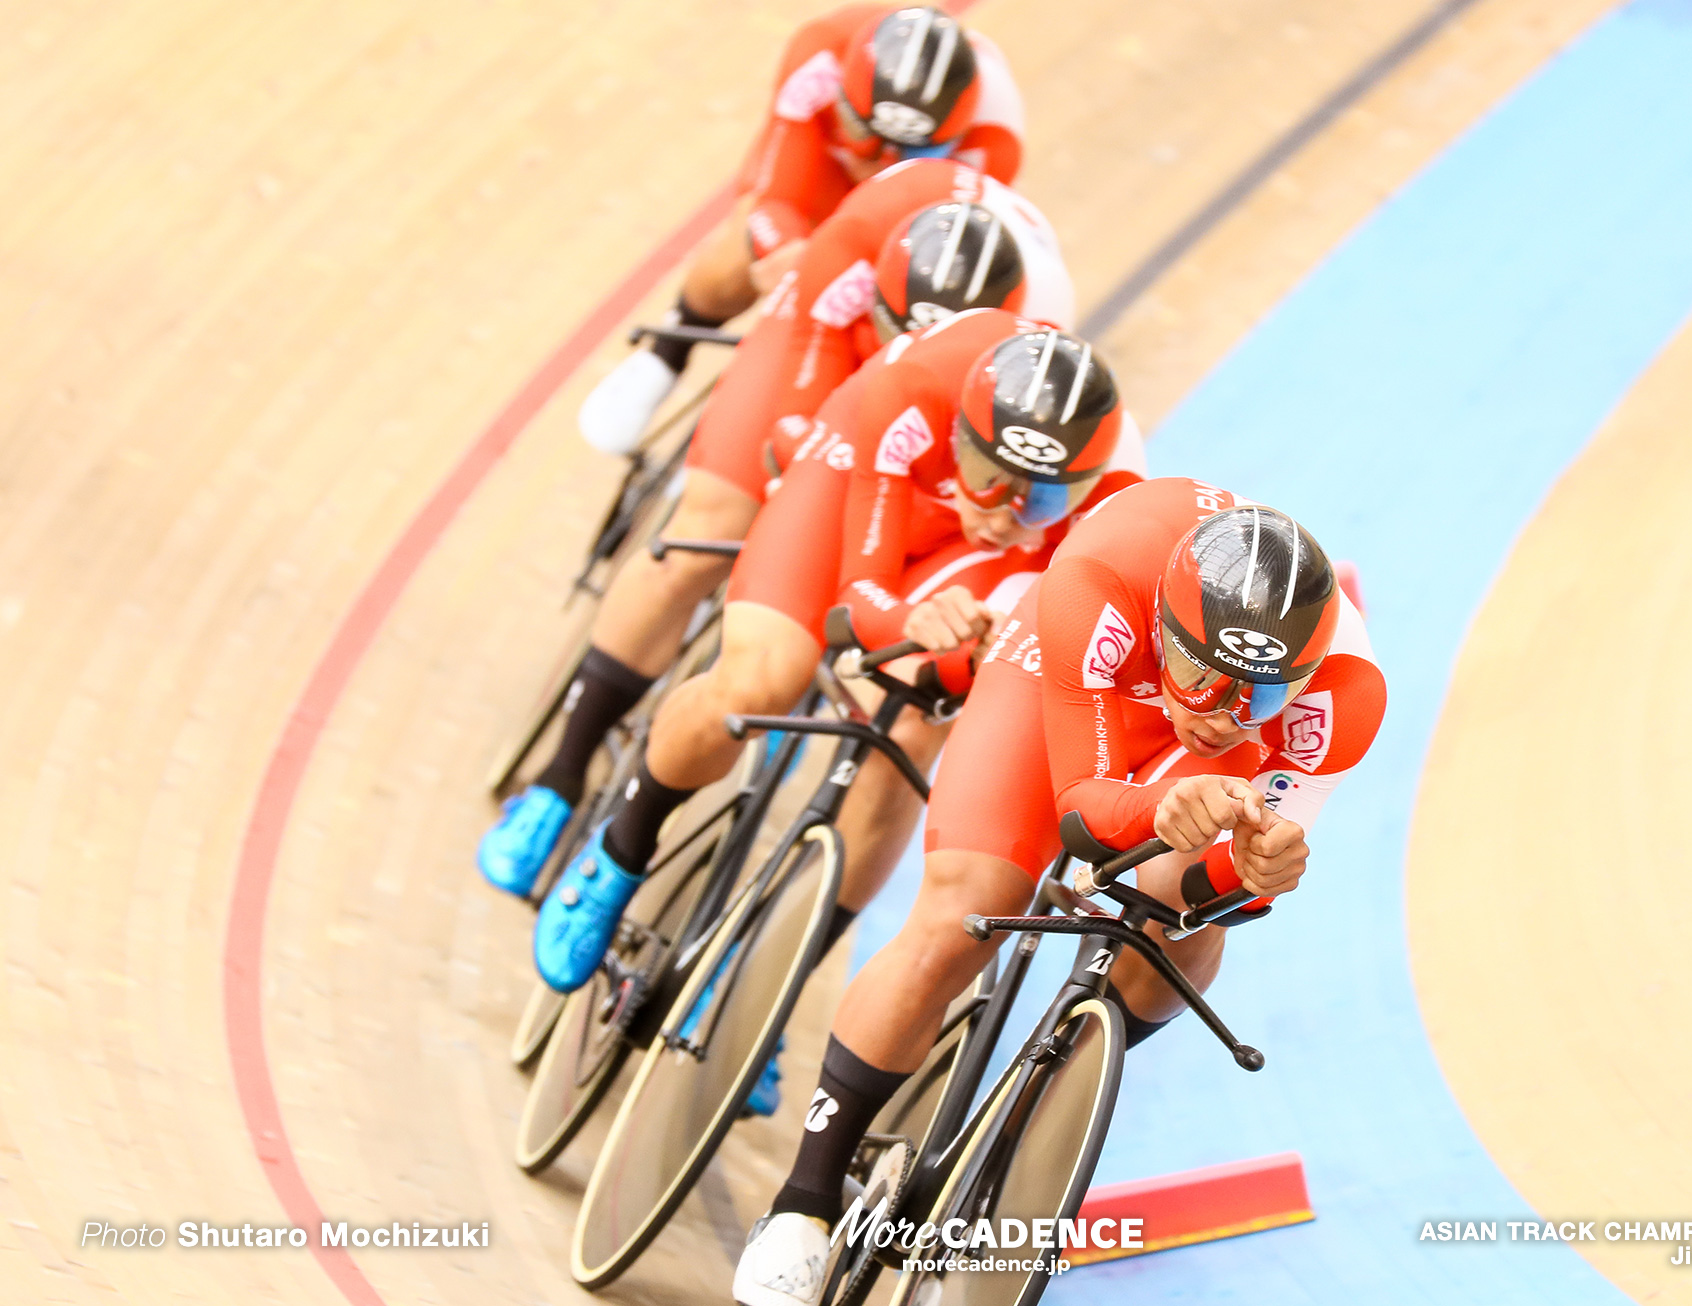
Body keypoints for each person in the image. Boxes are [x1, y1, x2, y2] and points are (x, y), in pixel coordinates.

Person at [730, 478, 1387, 1304]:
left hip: (1185, 757)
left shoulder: (1345, 693)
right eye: (1201, 671)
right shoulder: (1100, 579)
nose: (1219, 711)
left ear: (1303, 675)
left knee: (1178, 923)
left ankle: (1037, 1114)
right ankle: (804, 1203)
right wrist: (1158, 805)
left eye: (1255, 693)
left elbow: (1235, 887)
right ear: (1163, 624)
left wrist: (1251, 871)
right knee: (962, 912)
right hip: (1069, 685)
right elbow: (1083, 810)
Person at [479, 166, 1070, 896]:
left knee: (916, 694)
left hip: (949, 426)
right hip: (837, 349)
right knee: (708, 529)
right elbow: (805, 384)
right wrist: (795, 455)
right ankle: (558, 778)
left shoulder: (1034, 341)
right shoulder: (861, 237)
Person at [528, 314, 1142, 1011]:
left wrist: (981, 645)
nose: (1003, 511)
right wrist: (908, 616)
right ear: (959, 437)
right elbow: (859, 593)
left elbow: (1049, 652)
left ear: (1083, 482)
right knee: (758, 680)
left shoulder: (1117, 497)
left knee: (913, 732)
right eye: (988, 476)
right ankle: (619, 851)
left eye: (1041, 495)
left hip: (994, 566)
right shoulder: (914, 389)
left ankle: (760, 994)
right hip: (861, 480)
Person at [578, 6, 1026, 454]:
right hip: (822, 166)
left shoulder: (993, 147)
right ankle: (667, 351)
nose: (877, 157)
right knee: (751, 242)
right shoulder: (821, 53)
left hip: (911, 207)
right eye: (863, 132)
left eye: (903, 148)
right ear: (844, 92)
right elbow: (775, 199)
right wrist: (791, 255)